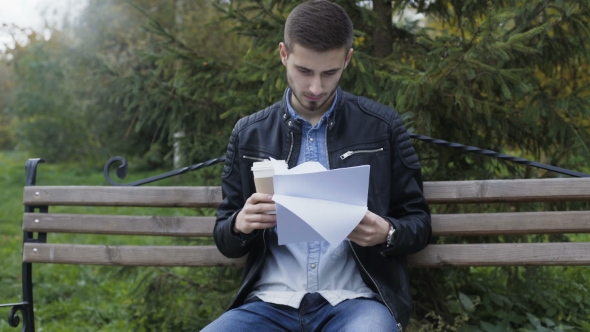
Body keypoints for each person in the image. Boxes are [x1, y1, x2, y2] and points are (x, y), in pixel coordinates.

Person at [205, 0, 431, 331]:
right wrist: (240, 224)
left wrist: (388, 233)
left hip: (356, 302)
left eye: (330, 73)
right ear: (284, 54)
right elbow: (225, 237)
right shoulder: (249, 133)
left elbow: (419, 223)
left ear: (348, 59)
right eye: (304, 71)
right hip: (269, 303)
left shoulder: (381, 127)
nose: (315, 88)